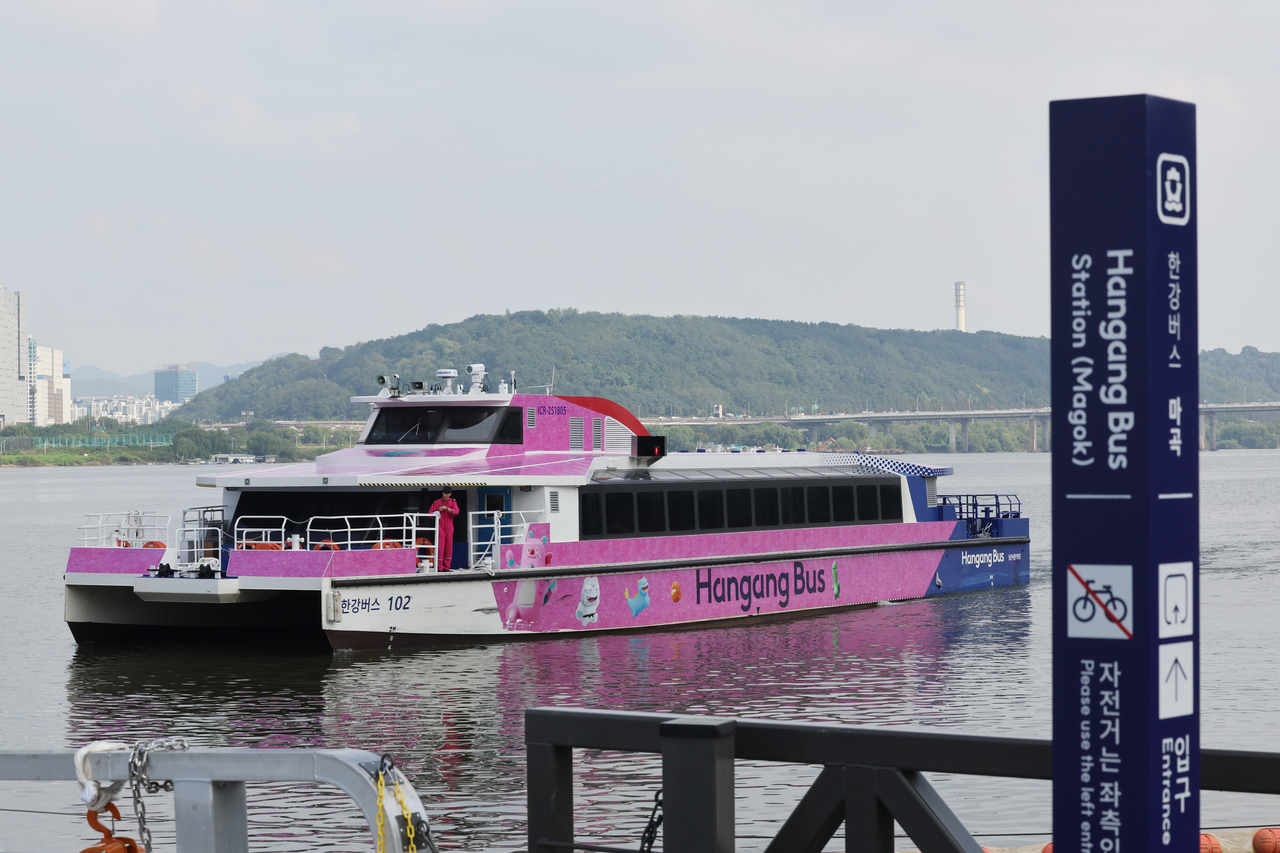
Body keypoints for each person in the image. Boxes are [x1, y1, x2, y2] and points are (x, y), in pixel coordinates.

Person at [429, 487, 460, 571]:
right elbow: (430, 514)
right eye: (444, 493)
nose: (444, 495)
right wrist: (435, 513)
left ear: (450, 494)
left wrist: (446, 508)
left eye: (446, 494)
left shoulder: (453, 502)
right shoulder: (437, 502)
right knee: (440, 547)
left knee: (449, 548)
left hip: (449, 527)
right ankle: (439, 567)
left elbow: (456, 512)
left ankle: (447, 567)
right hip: (440, 527)